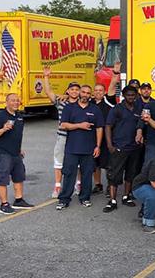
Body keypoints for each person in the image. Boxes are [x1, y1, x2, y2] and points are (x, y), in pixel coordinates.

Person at [56, 85, 105, 210]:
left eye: (88, 93)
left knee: (87, 175)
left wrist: (98, 146)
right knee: (68, 174)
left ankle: (85, 198)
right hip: (72, 148)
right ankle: (64, 199)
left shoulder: (95, 109)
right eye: (83, 92)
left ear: (91, 95)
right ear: (79, 93)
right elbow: (63, 125)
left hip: (89, 149)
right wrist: (80, 125)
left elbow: (99, 128)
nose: (85, 95)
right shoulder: (69, 107)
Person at [103, 86, 143, 213]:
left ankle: (126, 196)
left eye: (133, 95)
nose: (131, 97)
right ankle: (112, 200)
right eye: (128, 95)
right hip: (119, 146)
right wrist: (110, 145)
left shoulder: (139, 109)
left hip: (134, 147)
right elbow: (108, 127)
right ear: (124, 96)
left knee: (130, 173)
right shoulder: (117, 109)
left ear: (136, 96)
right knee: (114, 174)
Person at [43, 65, 80, 198]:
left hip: (77, 137)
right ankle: (58, 186)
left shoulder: (82, 103)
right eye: (72, 89)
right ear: (68, 91)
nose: (74, 91)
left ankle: (78, 184)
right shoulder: (61, 102)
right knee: (59, 162)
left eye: (77, 89)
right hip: (63, 137)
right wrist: (46, 76)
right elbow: (48, 91)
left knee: (78, 163)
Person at [0, 93, 33, 214]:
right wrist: (3, 129)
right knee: (2, 178)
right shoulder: (0, 116)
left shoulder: (19, 116)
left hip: (16, 152)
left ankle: (18, 200)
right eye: (12, 101)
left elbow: (17, 135)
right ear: (6, 102)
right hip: (3, 152)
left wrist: (19, 148)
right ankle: (4, 204)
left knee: (19, 176)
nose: (15, 103)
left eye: (17, 101)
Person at [91, 61, 120, 196]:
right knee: (95, 163)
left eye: (100, 91)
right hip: (93, 137)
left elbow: (113, 85)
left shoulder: (108, 100)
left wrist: (115, 73)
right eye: (96, 91)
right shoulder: (89, 103)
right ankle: (98, 185)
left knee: (108, 164)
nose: (98, 93)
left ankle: (110, 187)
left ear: (104, 92)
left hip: (107, 137)